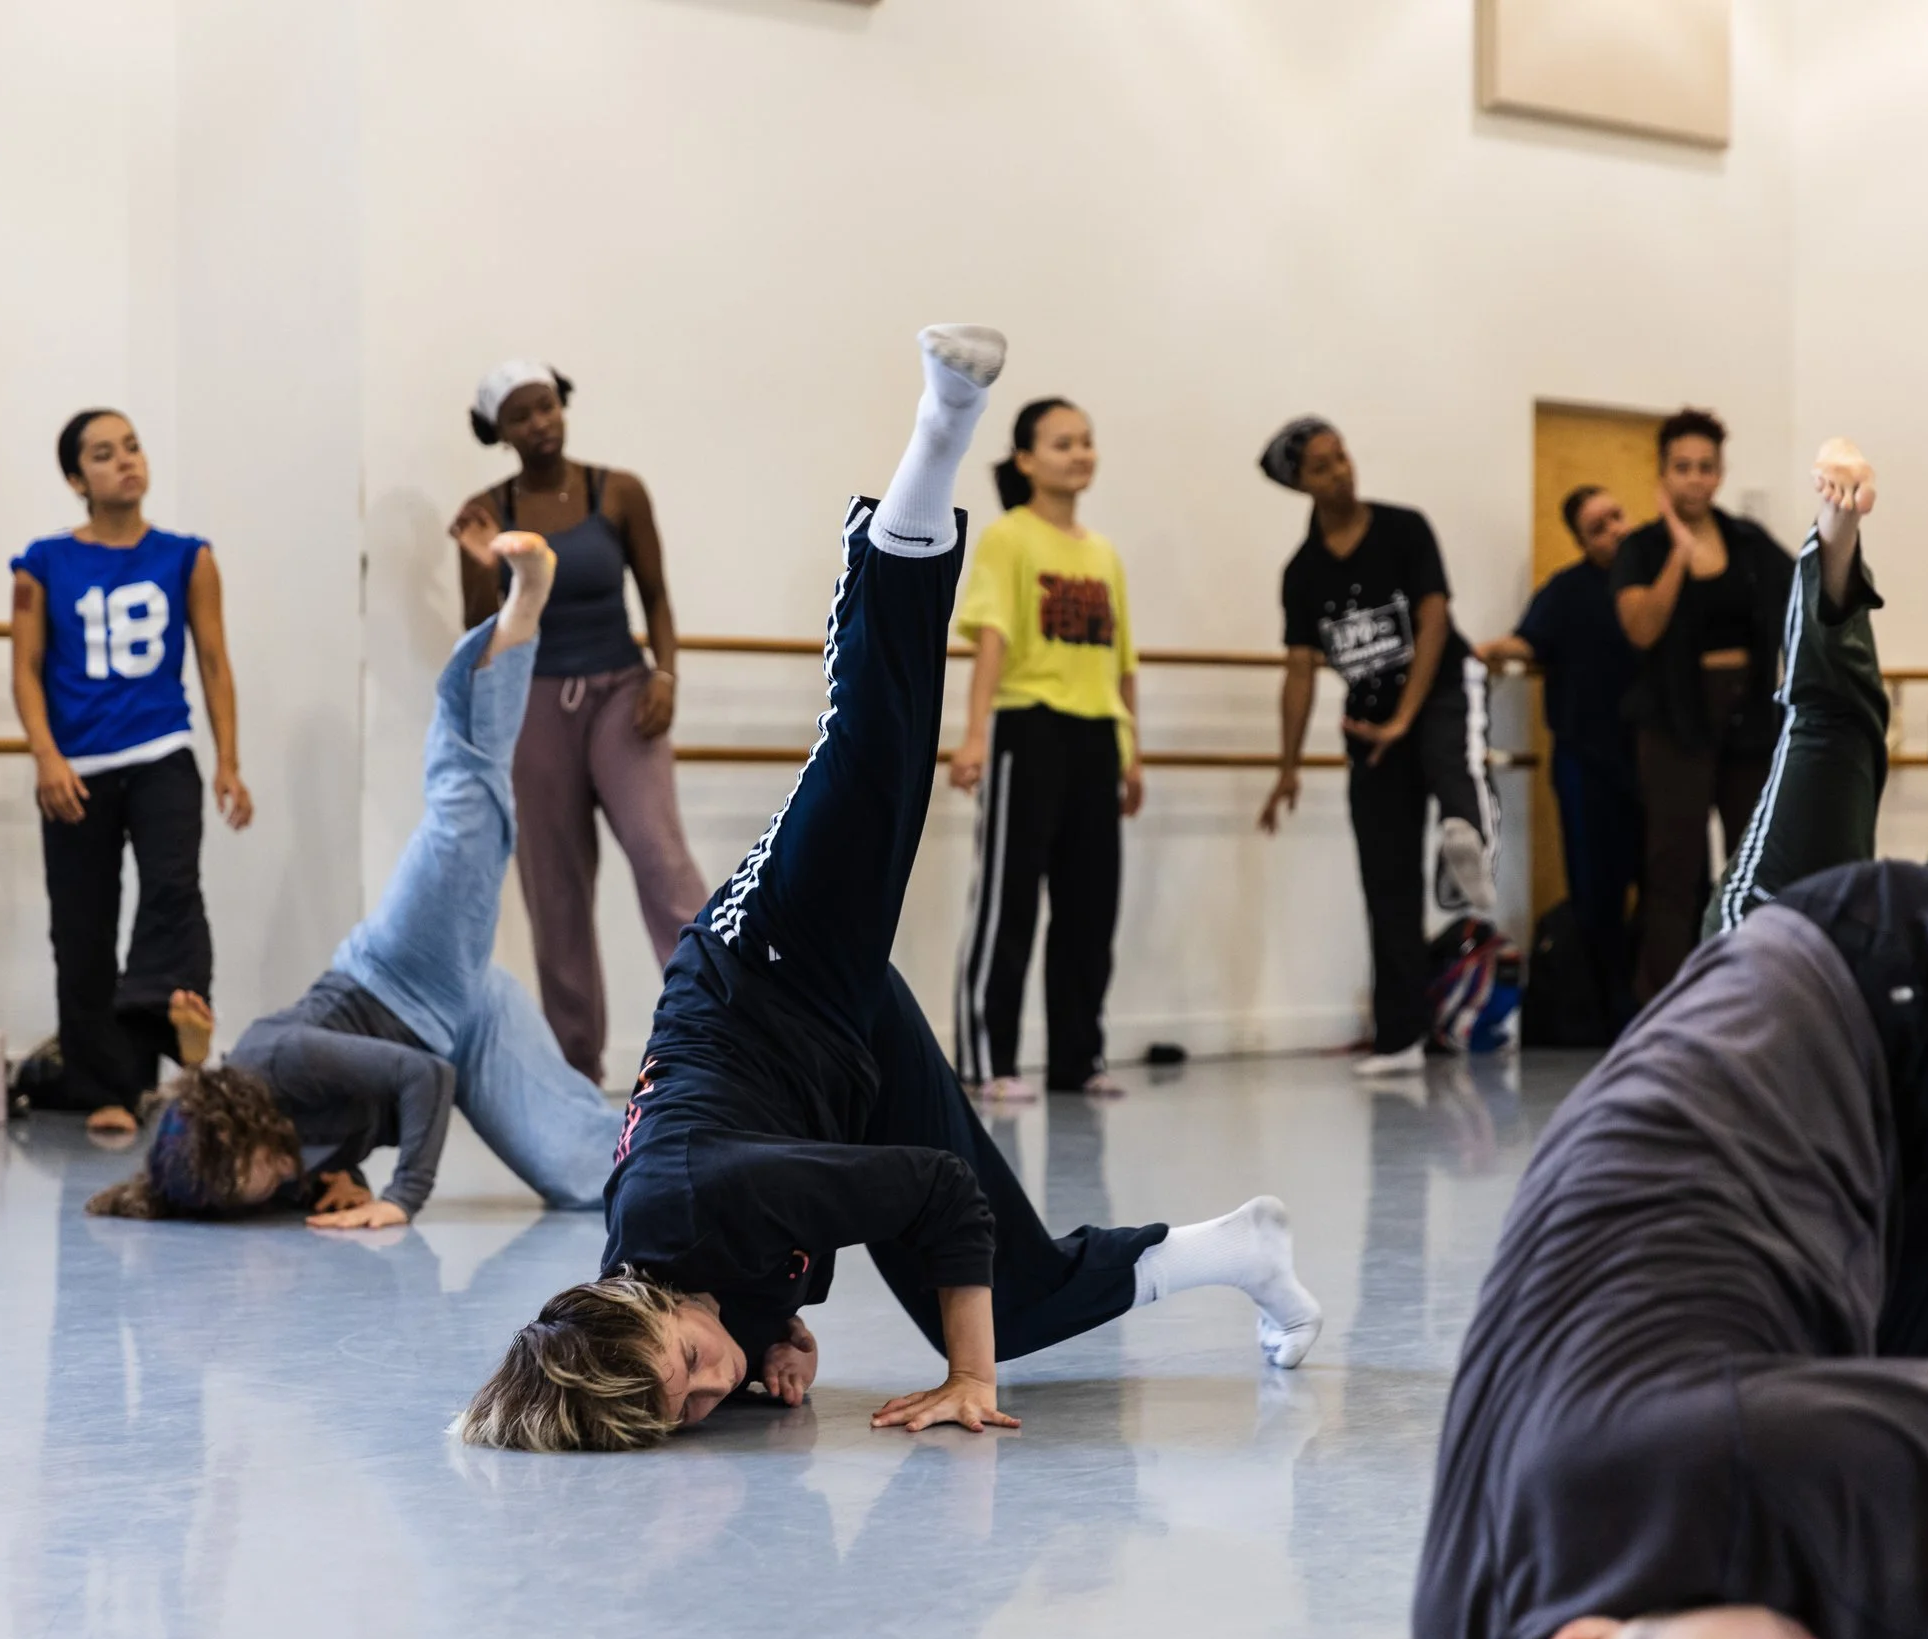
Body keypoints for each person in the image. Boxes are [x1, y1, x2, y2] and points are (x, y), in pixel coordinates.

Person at [459, 328, 1325, 1453]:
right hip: (835, 1049)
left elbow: (933, 1189)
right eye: (693, 1408)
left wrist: (966, 1378)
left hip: (760, 966)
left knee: (872, 750)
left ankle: (941, 423)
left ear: (642, 1306)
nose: (711, 1389)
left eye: (690, 1369)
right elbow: (762, 1270)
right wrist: (772, 1332)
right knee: (1016, 1296)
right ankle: (1244, 1249)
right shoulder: (661, 1287)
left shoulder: (688, 1201)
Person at [1417, 442, 1928, 1639]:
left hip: (1829, 1003)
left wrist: (1832, 542)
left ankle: (1874, 608)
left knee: (1830, 737)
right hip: (1835, 1209)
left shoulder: (1720, 1455)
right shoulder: (1491, 1630)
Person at [86, 537, 622, 1224]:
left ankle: (523, 603)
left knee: (466, 805)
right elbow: (336, 1122)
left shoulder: (275, 1060)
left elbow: (421, 1076)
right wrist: (346, 1177)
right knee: (582, 1174)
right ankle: (725, 1151)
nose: (270, 1190)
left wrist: (401, 1198)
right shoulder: (259, 1161)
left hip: (407, 972)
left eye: (254, 1181)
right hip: (461, 1024)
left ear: (242, 1129)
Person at [451, 363, 709, 1085]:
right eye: (521, 416)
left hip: (623, 695)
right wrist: (480, 561)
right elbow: (481, 632)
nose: (540, 423)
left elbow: (656, 596)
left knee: (662, 861)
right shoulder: (486, 510)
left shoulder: (618, 491)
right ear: (499, 433)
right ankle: (578, 1070)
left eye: (547, 406)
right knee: (555, 889)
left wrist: (664, 675)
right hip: (534, 705)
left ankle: (722, 1031)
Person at [10, 411, 250, 1137]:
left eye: (133, 447)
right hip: (77, 768)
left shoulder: (189, 557)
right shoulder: (40, 564)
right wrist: (46, 756)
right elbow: (24, 669)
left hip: (161, 753)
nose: (126, 462)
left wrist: (228, 761)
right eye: (104, 454)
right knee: (81, 926)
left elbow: (214, 662)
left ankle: (168, 1031)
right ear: (76, 479)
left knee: (173, 890)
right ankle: (102, 1085)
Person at [1255, 418, 1499, 1077]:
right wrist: (1286, 768)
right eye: (1322, 467)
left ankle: (1469, 835)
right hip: (1369, 726)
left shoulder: (1403, 529)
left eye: (1342, 457)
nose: (1341, 472)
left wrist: (1407, 717)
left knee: (1453, 766)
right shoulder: (1303, 573)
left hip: (1440, 688)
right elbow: (1300, 671)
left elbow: (1433, 618)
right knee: (1385, 879)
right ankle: (1400, 1036)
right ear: (1300, 485)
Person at [949, 397, 1143, 1103]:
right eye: (1063, 443)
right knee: (1009, 903)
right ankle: (987, 1059)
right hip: (1028, 730)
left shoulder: (1104, 553)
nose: (1080, 454)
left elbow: (1124, 663)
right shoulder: (1008, 538)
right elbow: (993, 641)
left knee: (1090, 908)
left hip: (1096, 737)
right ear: (1026, 460)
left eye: (1086, 441)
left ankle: (1077, 1058)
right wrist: (975, 734)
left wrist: (1132, 751)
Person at [1607, 409, 1800, 1002]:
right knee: (1673, 867)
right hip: (1674, 721)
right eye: (1683, 467)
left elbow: (1803, 595)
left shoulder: (1749, 542)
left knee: (1754, 861)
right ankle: (1665, 1005)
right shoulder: (1641, 548)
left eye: (1706, 467)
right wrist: (1678, 553)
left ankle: (1756, 994)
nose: (1695, 479)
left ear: (1720, 473)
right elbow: (1641, 629)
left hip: (1748, 720)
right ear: (1663, 473)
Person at [1478, 486, 1642, 1033]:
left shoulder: (1654, 577)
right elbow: (1529, 641)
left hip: (1652, 757)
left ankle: (1659, 998)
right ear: (1581, 541)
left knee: (1668, 884)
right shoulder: (1566, 591)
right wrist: (1490, 650)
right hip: (1585, 758)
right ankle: (1607, 1009)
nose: (1614, 531)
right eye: (1598, 527)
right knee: (1595, 889)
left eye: (1616, 516)